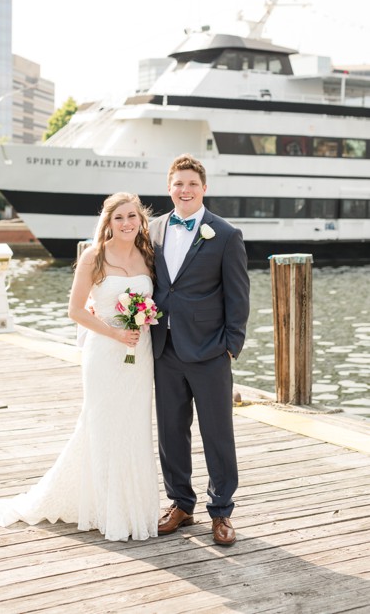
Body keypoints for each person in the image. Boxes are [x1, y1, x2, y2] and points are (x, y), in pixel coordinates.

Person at [0, 192, 160, 542]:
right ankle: (109, 512)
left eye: (132, 216)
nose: (126, 223)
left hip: (140, 353)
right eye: (119, 217)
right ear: (108, 222)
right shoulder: (94, 257)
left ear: (140, 220)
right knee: (102, 425)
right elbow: (74, 311)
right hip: (105, 351)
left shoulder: (147, 257)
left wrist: (140, 323)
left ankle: (135, 508)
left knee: (134, 427)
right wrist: (114, 333)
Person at [150, 154, 249, 546]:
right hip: (164, 348)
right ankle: (181, 503)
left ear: (204, 188)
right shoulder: (154, 229)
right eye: (178, 183)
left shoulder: (224, 234)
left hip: (210, 350)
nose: (185, 190)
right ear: (168, 188)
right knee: (171, 431)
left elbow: (238, 295)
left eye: (192, 183)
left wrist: (231, 346)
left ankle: (222, 511)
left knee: (217, 434)